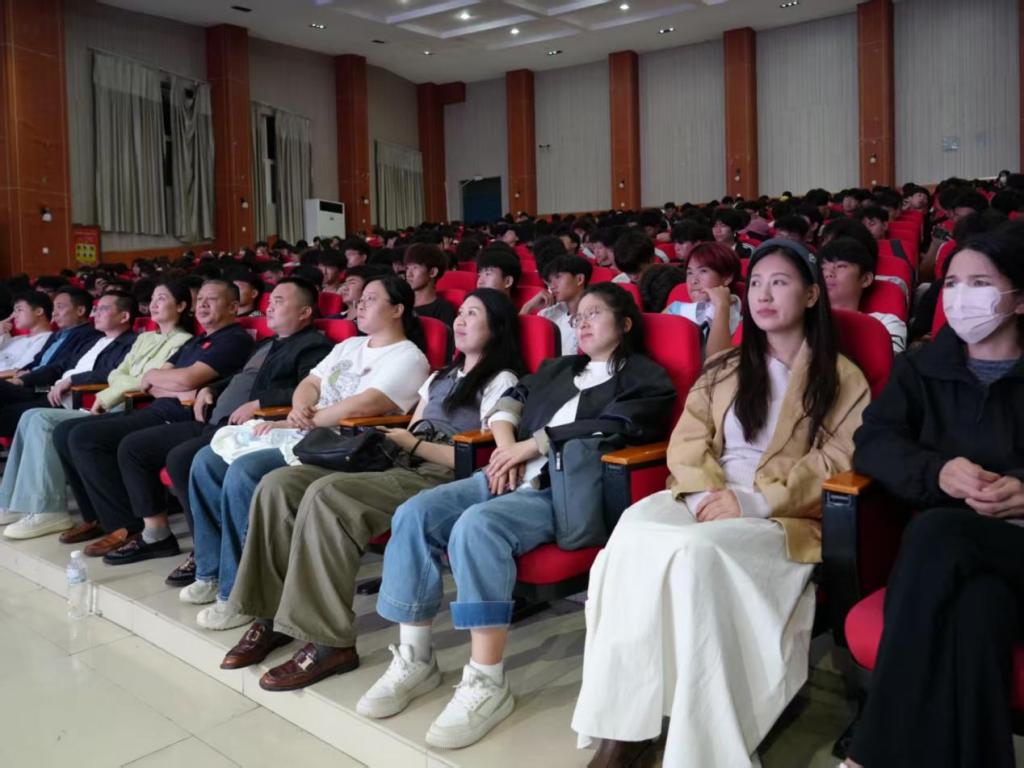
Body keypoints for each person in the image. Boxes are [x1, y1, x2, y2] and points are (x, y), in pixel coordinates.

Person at [571, 239, 870, 768]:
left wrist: (753, 501)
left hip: (779, 514)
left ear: (810, 295)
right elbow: (689, 438)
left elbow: (835, 461)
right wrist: (706, 492)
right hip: (706, 490)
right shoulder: (726, 365)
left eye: (780, 282)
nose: (763, 295)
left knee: (696, 555)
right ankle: (621, 729)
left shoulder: (841, 377)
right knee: (629, 536)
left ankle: (703, 746)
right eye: (756, 284)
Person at [361, 283, 676, 750]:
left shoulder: (645, 377)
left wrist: (532, 446)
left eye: (594, 314)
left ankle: (487, 681)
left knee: (477, 526)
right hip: (505, 474)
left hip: (562, 490)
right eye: (578, 316)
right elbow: (510, 402)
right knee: (415, 513)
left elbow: (615, 426)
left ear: (625, 324)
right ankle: (415, 657)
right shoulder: (558, 368)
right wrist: (507, 446)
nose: (582, 323)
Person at [218, 289, 524, 689]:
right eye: (460, 312)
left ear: (496, 327)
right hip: (400, 460)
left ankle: (329, 642)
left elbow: (480, 458)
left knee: (329, 497)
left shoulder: (501, 380)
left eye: (473, 314)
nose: (460, 320)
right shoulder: (440, 377)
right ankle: (270, 615)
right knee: (279, 484)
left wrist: (409, 444)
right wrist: (397, 442)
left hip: (438, 473)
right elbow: (412, 427)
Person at [841, 229, 1024, 768]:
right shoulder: (923, 368)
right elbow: (873, 443)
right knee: (977, 616)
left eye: (981, 283)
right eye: (953, 283)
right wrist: (937, 472)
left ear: (1019, 299)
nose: (962, 296)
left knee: (936, 530)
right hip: (954, 565)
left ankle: (868, 751)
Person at [184, 273, 430, 630]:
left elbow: (365, 405)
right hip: (306, 429)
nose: (360, 304)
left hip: (342, 444)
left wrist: (299, 420)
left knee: (246, 471)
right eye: (360, 298)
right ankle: (210, 571)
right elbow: (310, 382)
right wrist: (300, 408)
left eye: (371, 298)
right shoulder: (349, 345)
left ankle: (237, 593)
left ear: (398, 309)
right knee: (207, 461)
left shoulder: (408, 357)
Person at [111, 278, 333, 587]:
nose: (270, 306)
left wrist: (259, 403)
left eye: (280, 301)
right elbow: (240, 376)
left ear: (305, 312)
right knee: (135, 447)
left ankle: (207, 552)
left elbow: (309, 390)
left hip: (255, 427)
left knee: (182, 458)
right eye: (271, 300)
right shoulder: (267, 343)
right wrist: (211, 389)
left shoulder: (314, 346)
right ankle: (156, 535)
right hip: (217, 422)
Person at [56, 280, 254, 560]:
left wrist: (174, 382)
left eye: (212, 299)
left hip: (180, 416)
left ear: (233, 307)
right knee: (67, 431)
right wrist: (171, 383)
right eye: (200, 299)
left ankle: (128, 526)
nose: (203, 304)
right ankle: (99, 516)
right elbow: (151, 381)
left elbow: (186, 378)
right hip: (157, 408)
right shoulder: (196, 341)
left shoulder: (233, 339)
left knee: (90, 438)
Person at [0, 282, 192, 540]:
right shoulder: (145, 338)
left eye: (162, 298)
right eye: (153, 299)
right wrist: (122, 383)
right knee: (33, 417)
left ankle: (50, 510)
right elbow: (118, 373)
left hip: (127, 405)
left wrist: (111, 389)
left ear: (181, 306)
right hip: (105, 398)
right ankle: (16, 501)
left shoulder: (182, 341)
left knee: (44, 420)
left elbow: (145, 379)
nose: (154, 304)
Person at [0, 286, 98, 426]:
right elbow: (36, 361)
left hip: (46, 388)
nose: (54, 313)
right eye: (54, 307)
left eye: (60, 307)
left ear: (80, 311)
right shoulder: (57, 335)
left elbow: (60, 367)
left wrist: (23, 379)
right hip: (31, 384)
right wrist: (23, 372)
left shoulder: (89, 336)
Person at [820, 237, 907, 353]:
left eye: (841, 266)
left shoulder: (885, 324)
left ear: (866, 279)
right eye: (823, 268)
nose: (828, 274)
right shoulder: (803, 317)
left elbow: (887, 361)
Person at [664, 241, 744, 357]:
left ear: (726, 277)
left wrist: (721, 306)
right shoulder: (675, 308)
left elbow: (716, 362)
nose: (693, 281)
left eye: (703, 271)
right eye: (690, 273)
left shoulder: (738, 318)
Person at [520, 253, 593, 355]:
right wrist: (528, 307)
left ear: (579, 279)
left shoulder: (595, 319)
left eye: (558, 277)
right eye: (550, 281)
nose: (552, 286)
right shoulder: (549, 315)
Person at [404, 243, 456, 326]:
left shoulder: (443, 310)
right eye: (407, 268)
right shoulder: (401, 304)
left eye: (415, 267)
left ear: (432, 272)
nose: (408, 274)